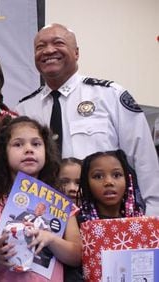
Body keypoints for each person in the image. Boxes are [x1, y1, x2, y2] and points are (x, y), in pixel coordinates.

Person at [15, 23, 159, 216]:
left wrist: (153, 218)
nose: (48, 50)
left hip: (105, 219)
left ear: (76, 53)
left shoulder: (109, 95)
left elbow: (145, 161)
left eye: (58, 43)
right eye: (40, 47)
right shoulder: (23, 109)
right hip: (44, 218)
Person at [0, 116, 81, 282]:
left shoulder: (61, 203)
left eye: (36, 144)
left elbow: (77, 255)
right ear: (3, 153)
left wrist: (51, 239)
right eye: (18, 144)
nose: (29, 149)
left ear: (46, 152)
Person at [78, 150, 144, 222]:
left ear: (127, 180)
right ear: (86, 183)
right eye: (98, 176)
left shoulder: (140, 222)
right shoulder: (75, 225)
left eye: (116, 175)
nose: (109, 182)